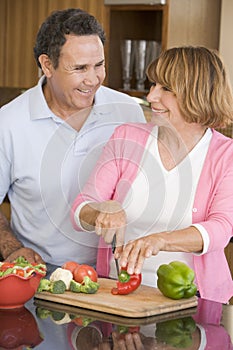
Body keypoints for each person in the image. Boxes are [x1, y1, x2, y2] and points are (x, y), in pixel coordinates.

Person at [71, 46, 233, 303]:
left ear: (197, 93)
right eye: (154, 85)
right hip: (119, 295)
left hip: (194, 300)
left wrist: (160, 240)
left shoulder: (226, 155)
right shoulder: (127, 137)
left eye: (165, 89)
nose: (151, 96)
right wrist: (103, 209)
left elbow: (221, 228)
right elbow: (81, 207)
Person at [0, 8, 145, 273]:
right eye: (79, 68)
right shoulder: (8, 123)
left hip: (114, 275)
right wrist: (13, 248)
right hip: (44, 274)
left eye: (99, 65)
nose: (93, 79)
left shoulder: (128, 111)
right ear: (47, 65)